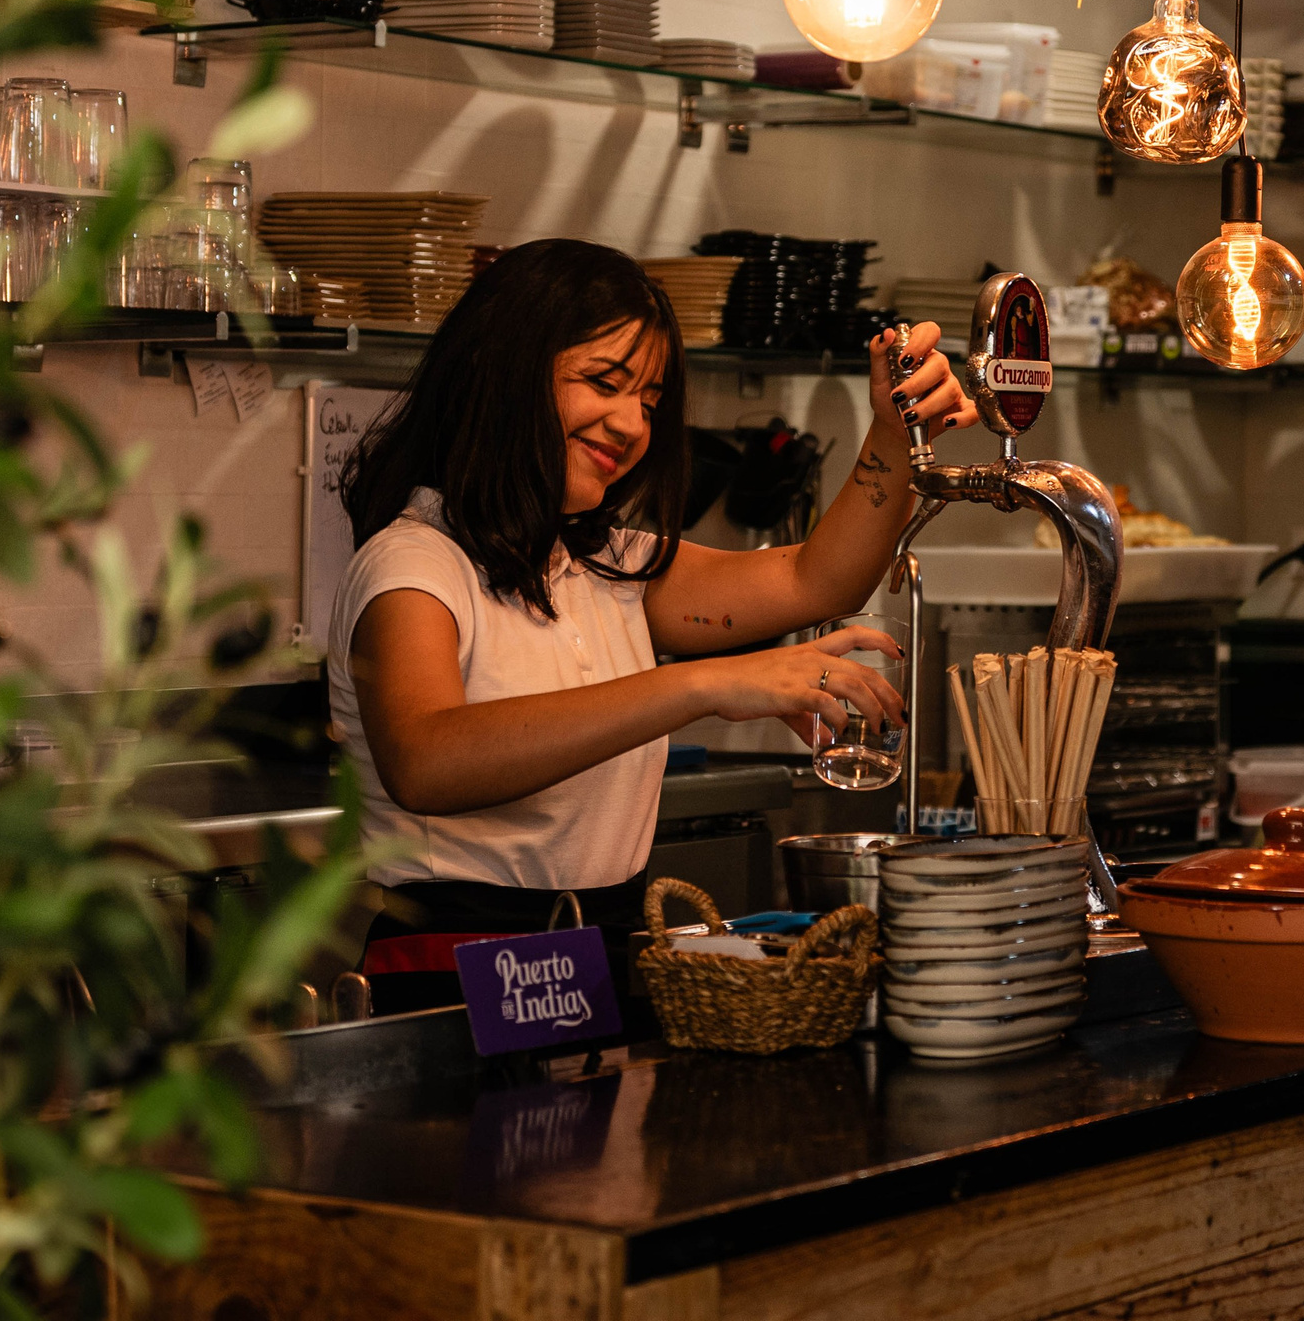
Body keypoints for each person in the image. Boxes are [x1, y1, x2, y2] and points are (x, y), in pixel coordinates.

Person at [326, 237, 976, 1009]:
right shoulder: (415, 563)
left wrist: (894, 431)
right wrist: (703, 683)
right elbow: (427, 760)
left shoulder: (607, 565)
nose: (632, 425)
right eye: (604, 382)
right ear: (500, 373)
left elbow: (817, 579)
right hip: (455, 977)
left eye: (650, 400)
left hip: (601, 957)